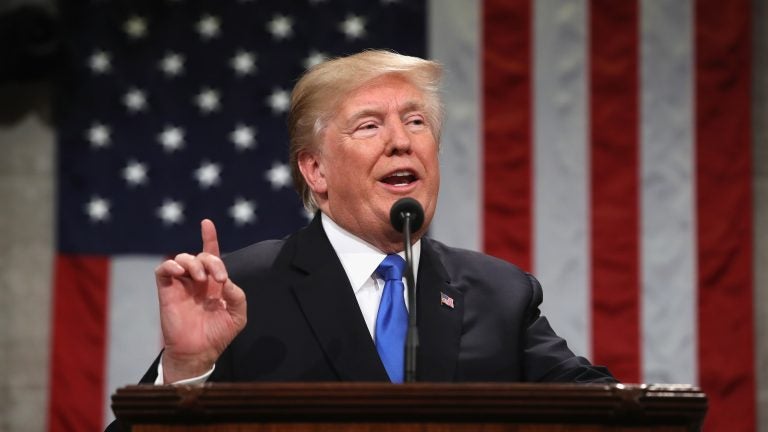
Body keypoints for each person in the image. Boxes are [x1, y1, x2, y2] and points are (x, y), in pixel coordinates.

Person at [142, 50, 614, 387]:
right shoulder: (244, 290)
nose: (401, 141)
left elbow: (599, 406)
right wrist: (187, 370)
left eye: (416, 121)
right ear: (316, 170)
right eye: (369, 125)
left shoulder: (499, 294)